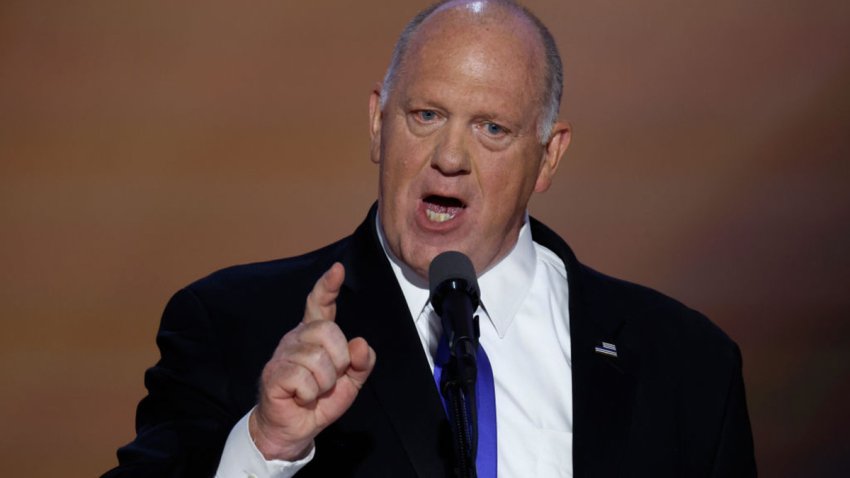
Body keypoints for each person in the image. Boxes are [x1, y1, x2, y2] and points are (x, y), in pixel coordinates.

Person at [104, 0, 756, 476]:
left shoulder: (687, 365)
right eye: (426, 115)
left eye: (492, 129)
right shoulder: (235, 325)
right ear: (377, 125)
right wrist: (265, 445)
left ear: (549, 157)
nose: (449, 156)